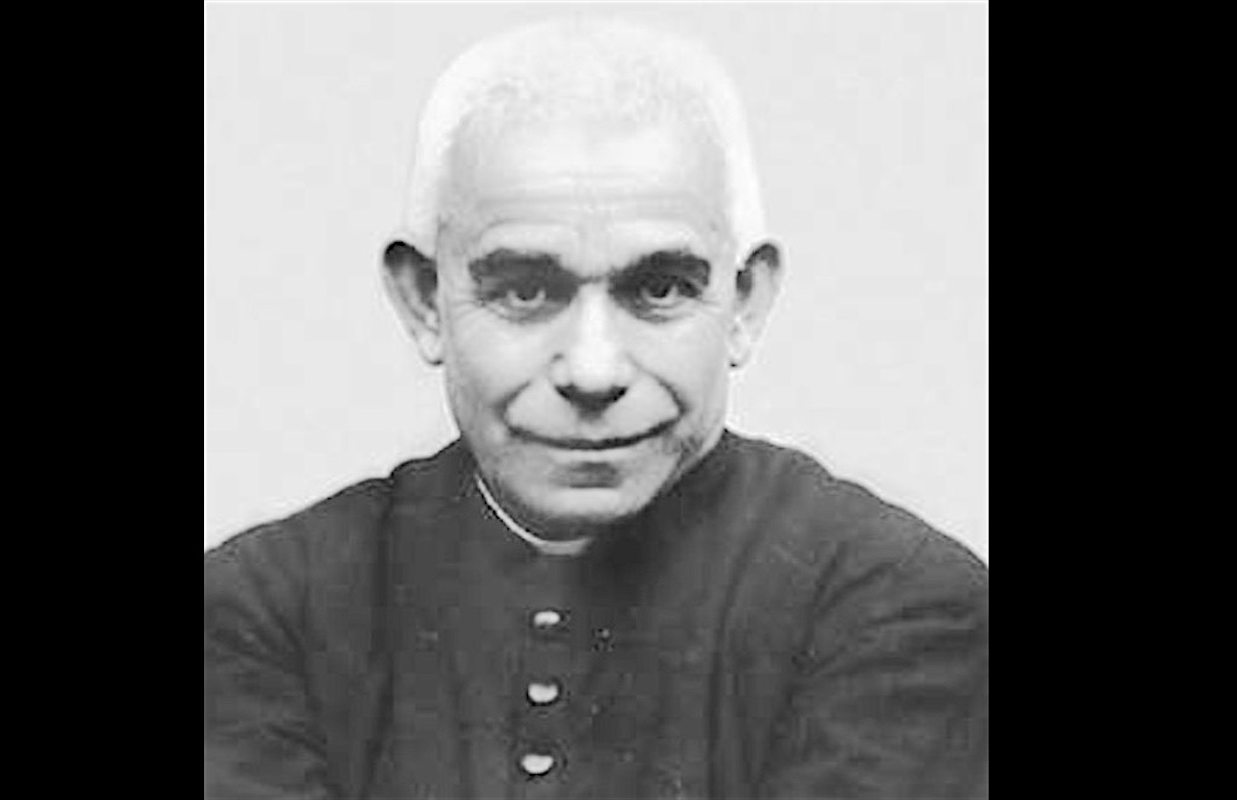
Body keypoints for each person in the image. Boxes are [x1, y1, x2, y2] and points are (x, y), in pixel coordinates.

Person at [204, 18, 988, 800]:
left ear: (745, 303)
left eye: (659, 289)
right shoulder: (263, 609)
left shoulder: (896, 603)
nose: (592, 369)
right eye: (523, 291)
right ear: (424, 301)